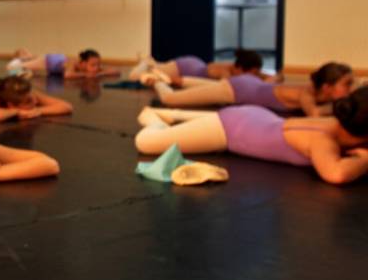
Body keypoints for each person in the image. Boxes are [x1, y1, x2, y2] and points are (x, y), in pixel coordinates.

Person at [134, 86, 368, 184]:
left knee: (210, 121)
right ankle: (152, 117)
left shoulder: (335, 123)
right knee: (144, 143)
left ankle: (174, 114)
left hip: (255, 117)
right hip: (230, 129)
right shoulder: (322, 141)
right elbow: (337, 174)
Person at [148, 62, 353, 115]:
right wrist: (345, 105)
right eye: (347, 84)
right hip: (239, 89)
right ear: (327, 87)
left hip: (252, 85)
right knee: (170, 100)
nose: (351, 89)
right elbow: (314, 114)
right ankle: (156, 80)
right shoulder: (306, 94)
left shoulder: (318, 93)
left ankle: (170, 78)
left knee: (206, 88)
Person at [129, 49, 279, 87]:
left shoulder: (243, 70)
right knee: (134, 77)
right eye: (253, 73)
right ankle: (146, 62)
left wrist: (266, 81)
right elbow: (227, 87)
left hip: (194, 64)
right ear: (240, 68)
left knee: (159, 68)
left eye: (256, 73)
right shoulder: (225, 71)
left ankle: (153, 63)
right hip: (184, 67)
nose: (254, 76)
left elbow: (278, 76)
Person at [6, 48, 120, 78]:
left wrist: (100, 73)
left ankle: (24, 55)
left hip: (52, 59)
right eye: (93, 65)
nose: (96, 67)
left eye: (98, 65)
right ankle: (21, 57)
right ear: (82, 63)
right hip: (47, 61)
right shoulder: (73, 62)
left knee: (29, 59)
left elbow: (116, 71)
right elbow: (67, 75)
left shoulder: (92, 67)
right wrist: (86, 74)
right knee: (11, 68)